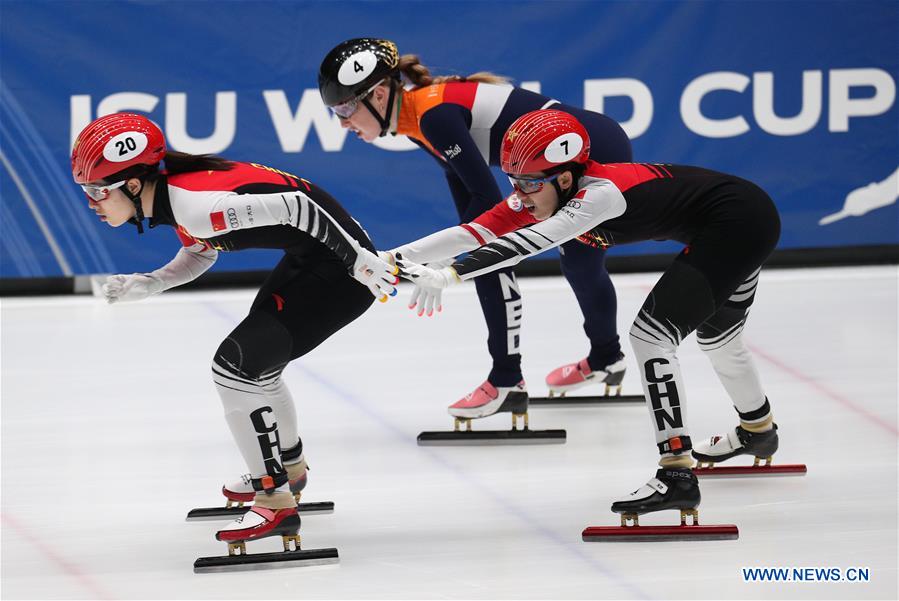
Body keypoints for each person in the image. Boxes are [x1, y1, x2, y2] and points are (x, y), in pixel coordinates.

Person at [392, 109, 782, 521]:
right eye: (513, 181)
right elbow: (474, 232)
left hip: (738, 222)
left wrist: (449, 274)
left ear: (564, 179)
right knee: (719, 340)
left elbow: (525, 244)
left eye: (529, 183)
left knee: (652, 336)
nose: (520, 194)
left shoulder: (599, 195)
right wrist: (390, 260)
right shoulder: (546, 189)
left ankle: (676, 475)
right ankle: (758, 430)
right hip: (740, 216)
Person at [70, 113, 398, 547]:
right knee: (259, 370)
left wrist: (359, 260)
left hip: (344, 272)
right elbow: (200, 253)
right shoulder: (174, 197)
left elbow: (300, 207)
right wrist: (150, 283)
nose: (92, 203)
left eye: (97, 191)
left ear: (132, 184)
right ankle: (289, 469)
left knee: (234, 369)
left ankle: (274, 500)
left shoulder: (197, 206)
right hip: (317, 260)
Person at [318, 38, 632, 422]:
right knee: (574, 264)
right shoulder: (419, 119)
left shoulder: (433, 116)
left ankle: (507, 380)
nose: (342, 122)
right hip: (592, 142)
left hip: (594, 151)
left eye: (345, 108)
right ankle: (604, 358)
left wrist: (445, 260)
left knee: (499, 261)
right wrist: (446, 255)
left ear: (379, 95)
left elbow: (484, 199)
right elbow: (470, 206)